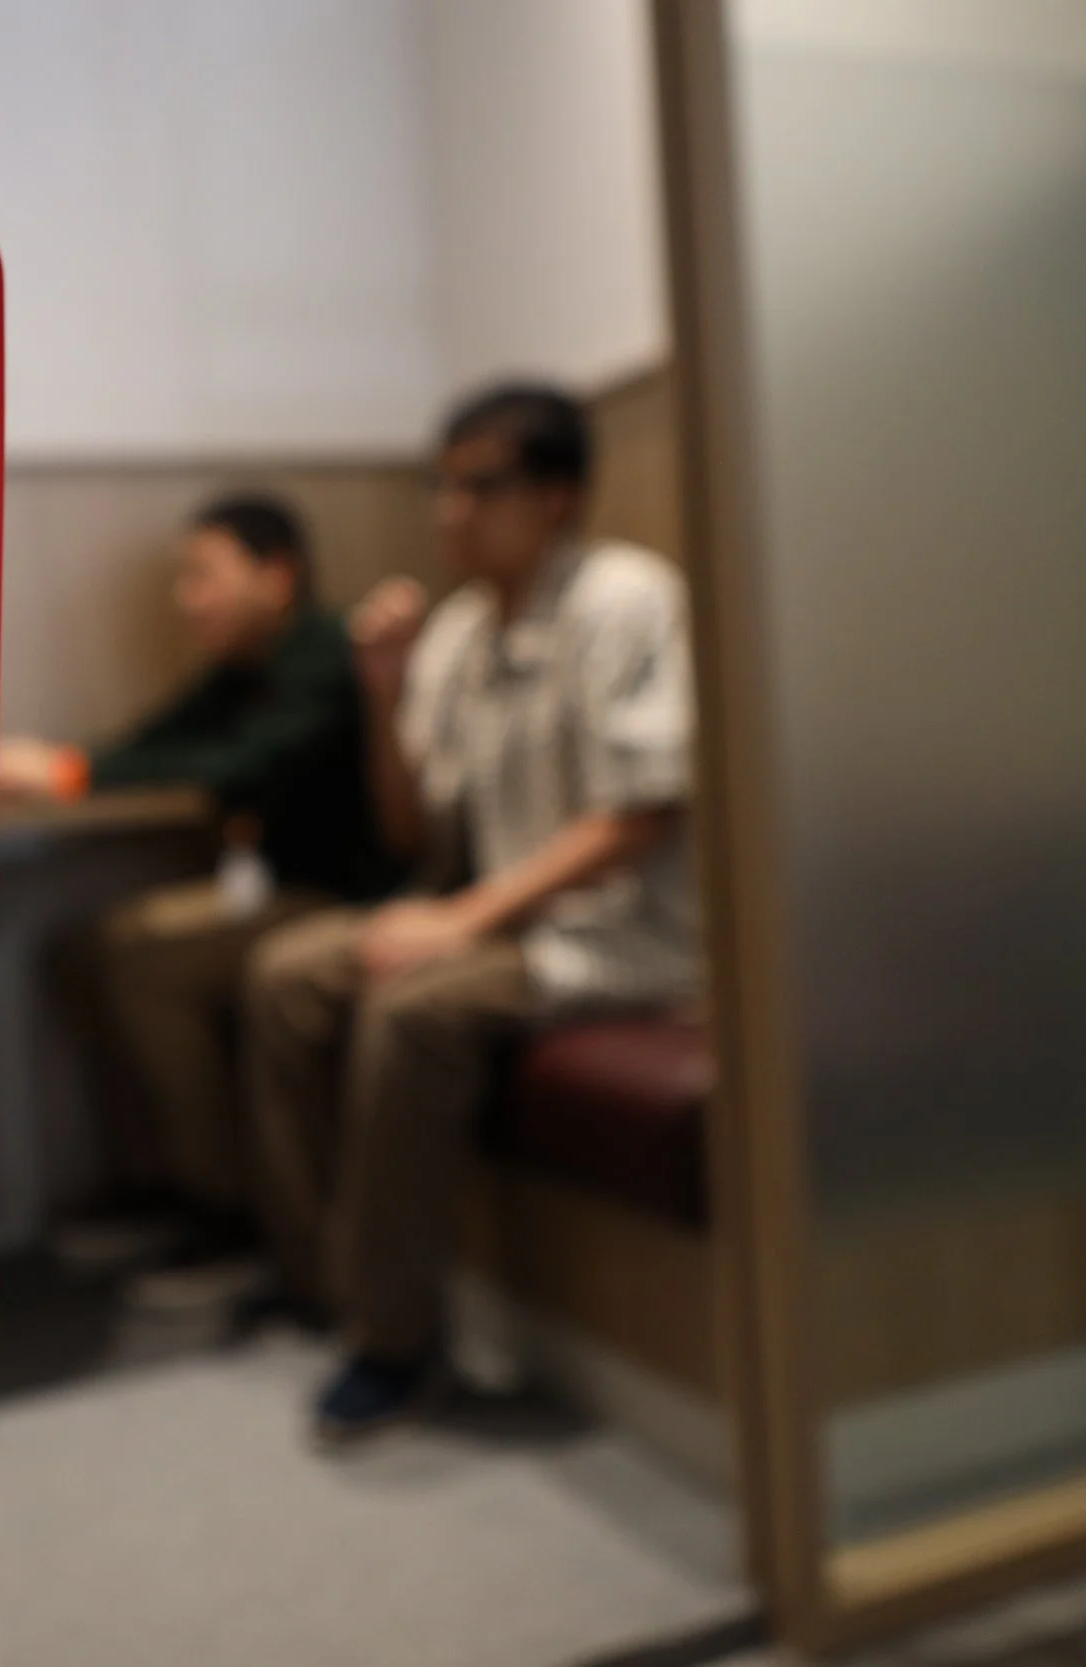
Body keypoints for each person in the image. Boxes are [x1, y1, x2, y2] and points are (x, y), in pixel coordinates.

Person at [243, 384, 698, 1441]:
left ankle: (396, 1343)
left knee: (411, 1008)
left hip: (624, 938)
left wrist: (460, 921)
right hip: (499, 919)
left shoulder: (625, 599)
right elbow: (409, 831)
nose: (450, 511)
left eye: (479, 486)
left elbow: (646, 810)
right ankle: (322, 1277)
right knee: (284, 972)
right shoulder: (453, 630)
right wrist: (383, 686)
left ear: (558, 496)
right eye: (440, 486)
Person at [1, 494, 398, 1282]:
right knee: (79, 950)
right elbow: (157, 743)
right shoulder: (239, 672)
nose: (189, 599)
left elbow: (241, 767)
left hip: (339, 894)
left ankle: (221, 1204)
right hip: (271, 889)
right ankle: (159, 1179)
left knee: (142, 965)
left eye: (203, 576)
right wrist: (65, 763)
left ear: (276, 576)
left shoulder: (325, 654)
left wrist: (68, 773)